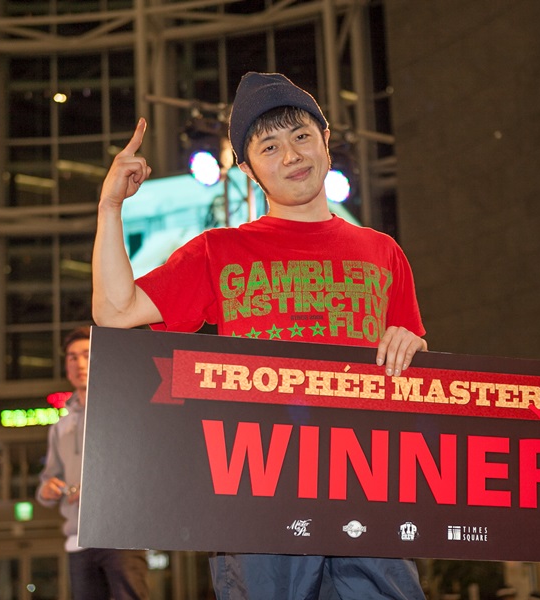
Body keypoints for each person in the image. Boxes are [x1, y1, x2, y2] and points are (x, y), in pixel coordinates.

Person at [92, 71, 428, 599]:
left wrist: (414, 347)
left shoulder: (384, 252)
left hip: (368, 490)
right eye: (269, 146)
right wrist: (110, 207)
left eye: (301, 136)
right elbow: (115, 311)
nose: (291, 155)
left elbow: (409, 371)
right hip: (260, 494)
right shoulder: (218, 251)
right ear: (248, 169)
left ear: (325, 141)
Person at [36, 326, 149, 600]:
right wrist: (46, 490)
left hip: (119, 533)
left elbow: (140, 470)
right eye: (72, 357)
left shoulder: (123, 411)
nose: (80, 363)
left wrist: (97, 491)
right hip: (78, 540)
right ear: (66, 366)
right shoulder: (61, 425)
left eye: (87, 355)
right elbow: (48, 478)